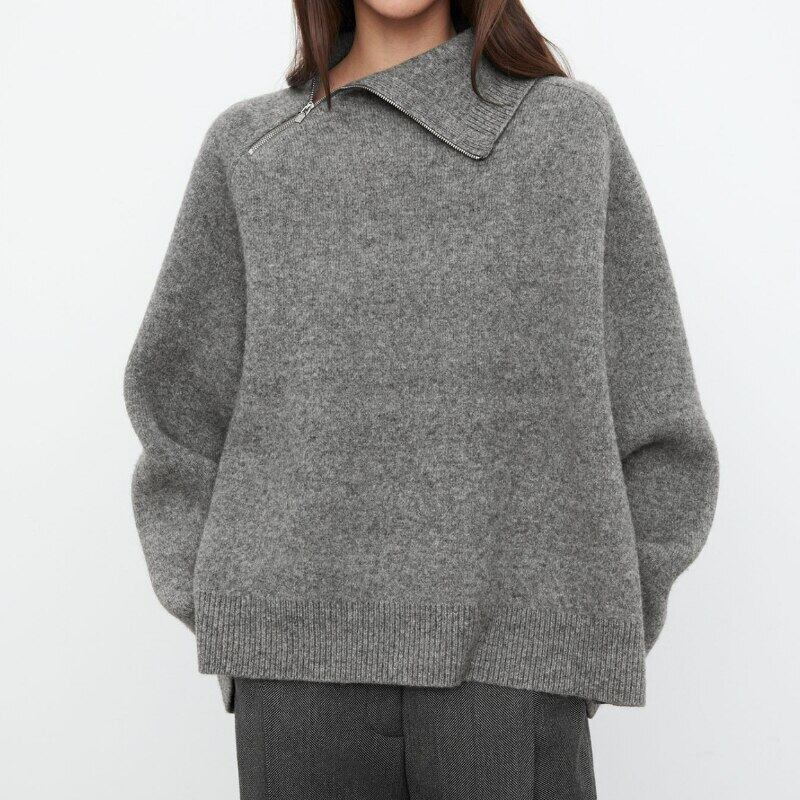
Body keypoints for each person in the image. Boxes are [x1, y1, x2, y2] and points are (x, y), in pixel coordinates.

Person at [124, 1, 719, 797]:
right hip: (294, 685)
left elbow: (659, 414)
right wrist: (232, 608)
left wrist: (585, 620)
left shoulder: (566, 135)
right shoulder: (255, 149)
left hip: (515, 681)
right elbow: (176, 407)